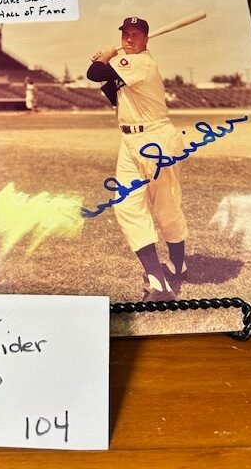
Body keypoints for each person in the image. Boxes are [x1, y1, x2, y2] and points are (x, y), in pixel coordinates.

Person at [86, 17, 188, 302]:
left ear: (146, 39)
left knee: (166, 205)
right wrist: (107, 64)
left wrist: (106, 58)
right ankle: (158, 282)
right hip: (130, 141)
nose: (129, 39)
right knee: (127, 205)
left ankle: (177, 265)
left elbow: (93, 73)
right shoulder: (128, 67)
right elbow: (111, 91)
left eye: (135, 34)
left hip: (157, 138)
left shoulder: (142, 62)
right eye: (125, 35)